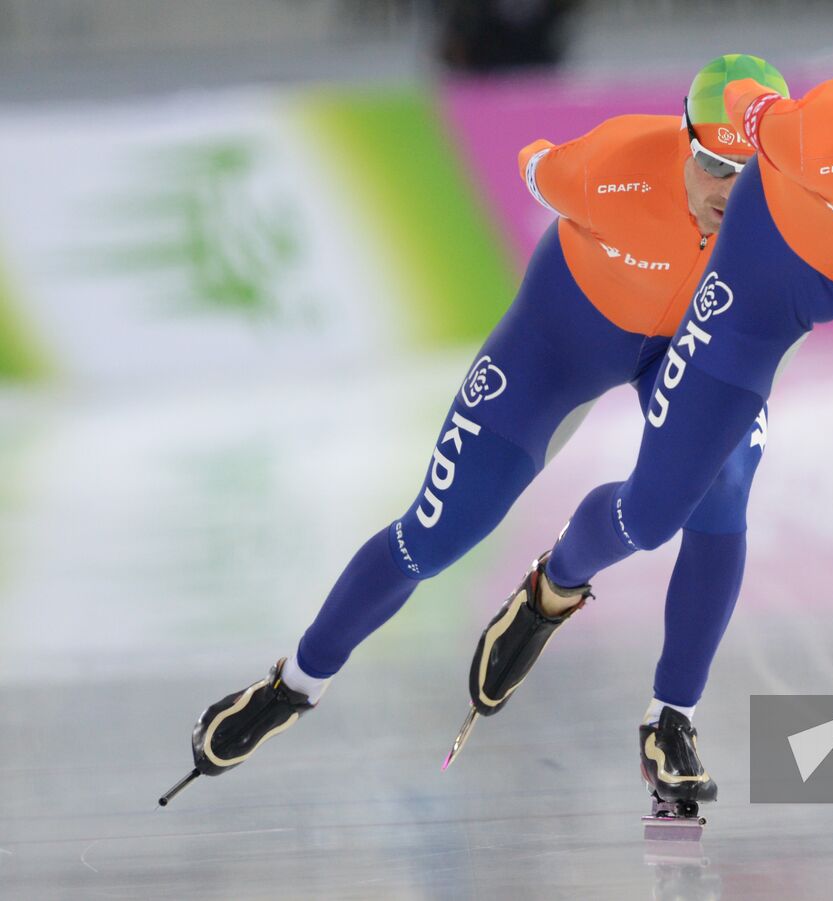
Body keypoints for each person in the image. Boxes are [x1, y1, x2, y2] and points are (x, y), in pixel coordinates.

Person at [464, 33, 833, 834]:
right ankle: (555, 585)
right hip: (764, 276)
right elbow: (747, 108)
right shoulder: (826, 129)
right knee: (655, 511)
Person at [165, 55, 792, 811]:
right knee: (435, 536)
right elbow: (534, 165)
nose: (731, 191)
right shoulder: (610, 166)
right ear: (684, 143)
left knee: (723, 491)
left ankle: (661, 708)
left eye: (749, 170)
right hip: (559, 344)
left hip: (696, 351)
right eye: (715, 165)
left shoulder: (796, 204)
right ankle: (295, 682)